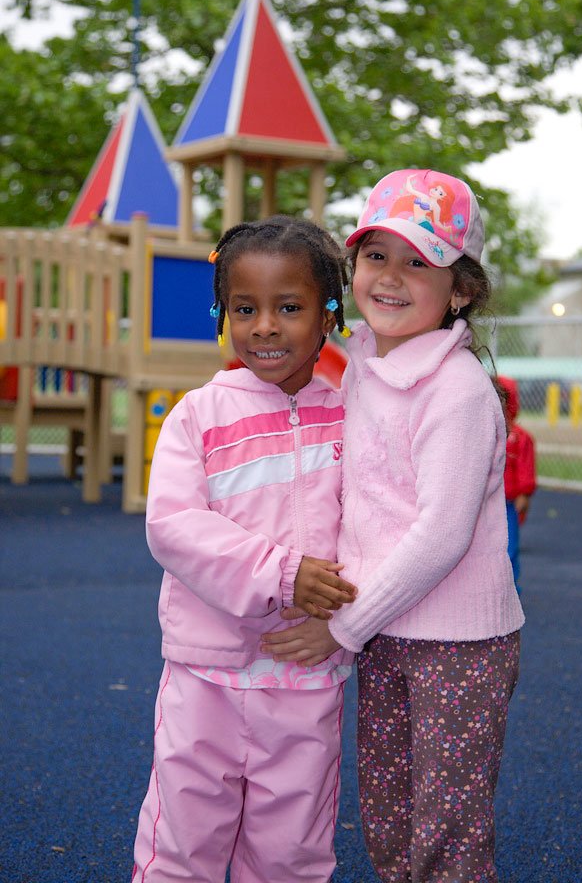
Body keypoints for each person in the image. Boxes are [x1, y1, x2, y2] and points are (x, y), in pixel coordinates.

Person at [262, 169, 525, 882]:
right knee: (386, 815)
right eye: (376, 256)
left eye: (419, 262)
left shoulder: (458, 389)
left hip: (456, 644)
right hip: (383, 631)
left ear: (461, 288)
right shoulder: (365, 371)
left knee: (445, 829)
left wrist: (341, 626)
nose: (390, 278)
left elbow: (440, 534)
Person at [132, 215, 358, 883]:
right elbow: (172, 525)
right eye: (244, 308)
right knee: (183, 839)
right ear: (222, 314)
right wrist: (284, 574)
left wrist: (342, 621)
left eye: (289, 307)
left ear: (328, 316)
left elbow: (376, 529)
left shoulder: (350, 415)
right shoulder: (198, 415)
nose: (264, 325)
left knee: (292, 851)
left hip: (308, 677)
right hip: (207, 675)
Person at [496, 374, 537, 595]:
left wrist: (525, 492)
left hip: (508, 502)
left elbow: (525, 467)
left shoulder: (519, 438)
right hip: (485, 501)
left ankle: (509, 589)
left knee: (509, 547)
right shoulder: (485, 432)